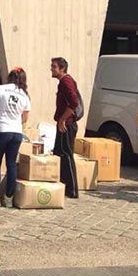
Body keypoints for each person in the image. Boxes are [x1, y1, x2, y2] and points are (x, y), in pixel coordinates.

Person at [0, 67, 31, 208]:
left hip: (1, 130)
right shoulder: (25, 95)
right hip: (16, 132)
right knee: (11, 164)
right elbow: (25, 118)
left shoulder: (1, 89)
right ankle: (9, 197)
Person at [51, 57, 80, 199]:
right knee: (59, 153)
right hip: (63, 123)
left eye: (54, 66)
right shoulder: (63, 82)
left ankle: (72, 189)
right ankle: (62, 185)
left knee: (66, 154)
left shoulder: (66, 82)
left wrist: (62, 119)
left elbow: (74, 102)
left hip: (66, 125)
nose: (51, 69)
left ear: (61, 69)